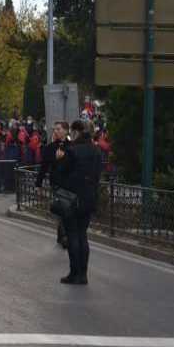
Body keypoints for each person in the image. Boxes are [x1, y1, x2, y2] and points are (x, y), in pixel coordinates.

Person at [56, 120, 102, 285]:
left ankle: (74, 273)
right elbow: (97, 175)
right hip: (89, 197)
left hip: (72, 198)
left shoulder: (72, 151)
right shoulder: (96, 151)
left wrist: (59, 159)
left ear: (76, 132)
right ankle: (83, 274)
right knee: (83, 235)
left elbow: (61, 175)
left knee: (73, 235)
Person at [37, 121, 70, 249]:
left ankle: (61, 235)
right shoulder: (50, 147)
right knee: (61, 209)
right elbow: (44, 166)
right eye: (55, 129)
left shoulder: (71, 146)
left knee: (66, 209)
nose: (56, 131)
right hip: (56, 183)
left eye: (59, 129)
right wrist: (38, 183)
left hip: (69, 183)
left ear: (66, 131)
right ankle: (64, 236)